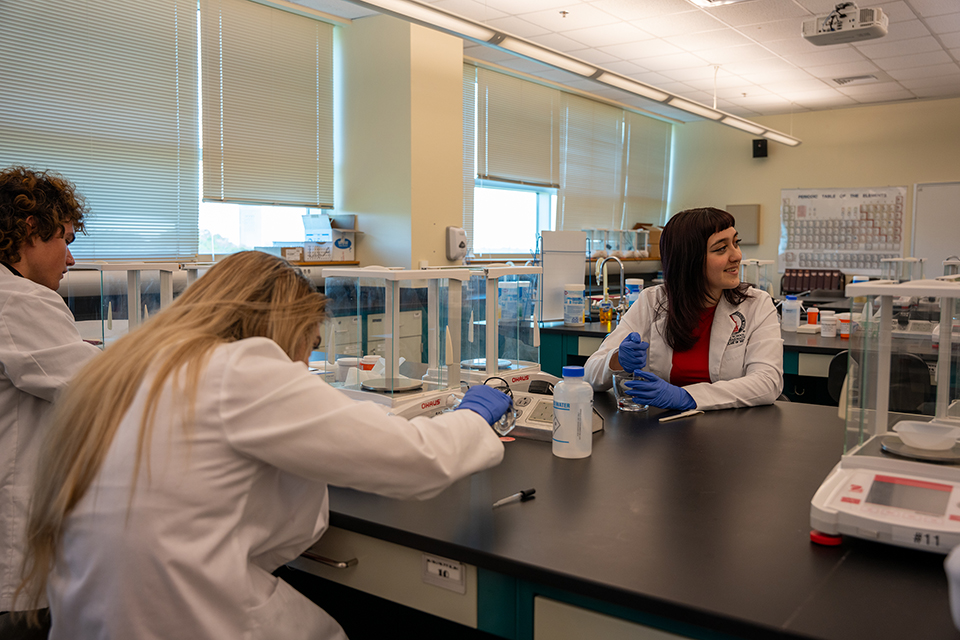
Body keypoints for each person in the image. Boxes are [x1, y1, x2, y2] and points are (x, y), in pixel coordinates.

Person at [16, 250, 512, 640]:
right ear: (281, 325)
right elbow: (415, 459)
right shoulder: (238, 367)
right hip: (185, 616)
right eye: (308, 342)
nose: (304, 361)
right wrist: (473, 415)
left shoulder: (136, 366)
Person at [0, 166, 101, 638]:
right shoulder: (19, 300)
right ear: (29, 229)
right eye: (65, 239)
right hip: (16, 557)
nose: (71, 258)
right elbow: (94, 388)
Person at [584, 207, 782, 410]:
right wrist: (617, 360)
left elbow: (768, 382)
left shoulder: (756, 304)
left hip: (731, 424)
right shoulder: (652, 301)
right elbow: (589, 374)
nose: (737, 255)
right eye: (721, 248)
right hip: (661, 425)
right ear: (689, 260)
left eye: (735, 243)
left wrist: (687, 397)